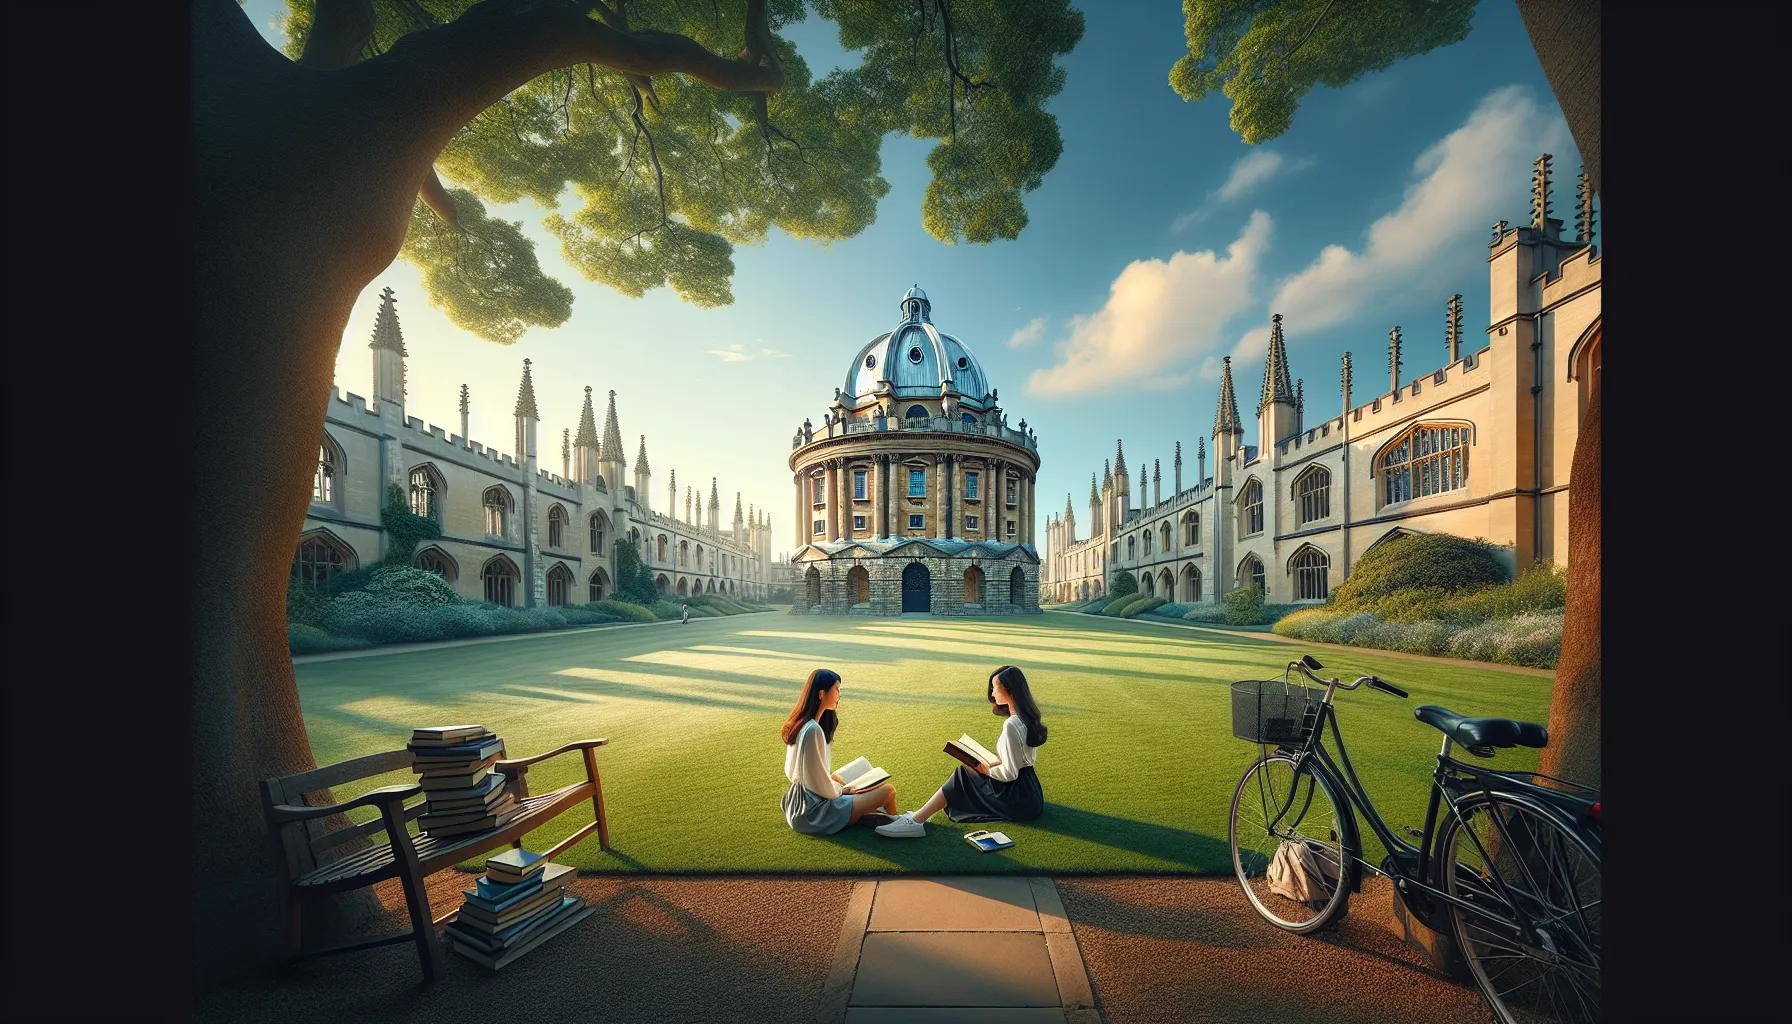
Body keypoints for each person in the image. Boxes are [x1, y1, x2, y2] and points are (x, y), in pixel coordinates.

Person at [876, 665, 1047, 838]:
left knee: (962, 773)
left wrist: (985, 769)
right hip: (1030, 792)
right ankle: (917, 817)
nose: (993, 693)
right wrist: (995, 763)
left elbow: (1010, 774)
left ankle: (916, 821)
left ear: (1010, 691)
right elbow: (1023, 760)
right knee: (966, 773)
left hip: (1017, 798)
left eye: (995, 688)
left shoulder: (1011, 725)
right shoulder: (1025, 718)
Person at [782, 668, 898, 834]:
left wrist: (835, 784)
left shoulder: (801, 723)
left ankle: (867, 814)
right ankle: (897, 822)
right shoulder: (812, 730)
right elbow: (820, 786)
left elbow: (799, 773)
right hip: (814, 813)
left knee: (862, 767)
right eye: (837, 689)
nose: (839, 695)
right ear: (821, 694)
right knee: (888, 791)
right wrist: (842, 790)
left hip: (798, 803)